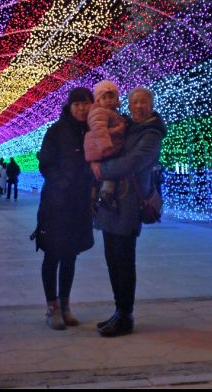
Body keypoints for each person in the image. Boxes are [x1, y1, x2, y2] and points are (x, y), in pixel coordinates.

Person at [91, 87, 167, 338]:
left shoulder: (151, 132)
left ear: (151, 105)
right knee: (112, 259)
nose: (139, 106)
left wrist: (101, 171)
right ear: (129, 104)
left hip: (129, 203)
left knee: (123, 260)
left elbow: (134, 161)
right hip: (111, 202)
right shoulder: (126, 126)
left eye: (144, 102)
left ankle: (126, 315)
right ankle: (118, 311)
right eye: (135, 102)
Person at [35, 87, 95, 330]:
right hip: (56, 204)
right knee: (52, 253)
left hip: (80, 204)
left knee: (70, 254)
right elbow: (45, 164)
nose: (81, 108)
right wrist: (62, 185)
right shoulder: (57, 130)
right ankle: (52, 308)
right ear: (69, 107)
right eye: (77, 104)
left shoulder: (93, 131)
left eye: (85, 103)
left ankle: (65, 305)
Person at [84, 80, 125, 212]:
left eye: (111, 97)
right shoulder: (99, 112)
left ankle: (95, 195)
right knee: (112, 171)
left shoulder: (113, 113)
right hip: (103, 149)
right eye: (104, 97)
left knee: (106, 173)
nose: (108, 100)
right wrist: (106, 146)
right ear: (98, 100)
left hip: (104, 149)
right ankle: (105, 195)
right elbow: (99, 130)